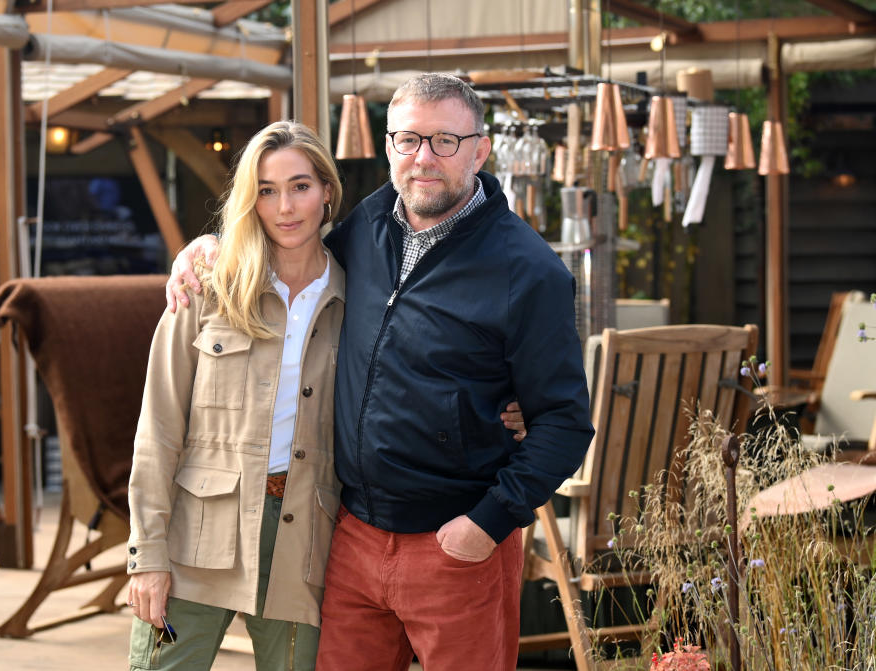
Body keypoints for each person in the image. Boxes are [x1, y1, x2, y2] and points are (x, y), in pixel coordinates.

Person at [167, 73, 594, 671]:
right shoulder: (365, 230)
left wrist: (487, 522)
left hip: (457, 545)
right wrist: (206, 246)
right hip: (353, 537)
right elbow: (284, 244)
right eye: (408, 139)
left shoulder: (528, 271)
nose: (424, 158)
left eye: (445, 141)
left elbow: (566, 424)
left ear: (479, 149)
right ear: (388, 145)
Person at [125, 120, 346, 671]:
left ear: (326, 192)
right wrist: (147, 556)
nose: (285, 207)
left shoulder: (357, 297)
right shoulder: (207, 287)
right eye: (266, 191)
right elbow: (158, 428)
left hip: (305, 538)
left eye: (300, 186)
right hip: (197, 536)